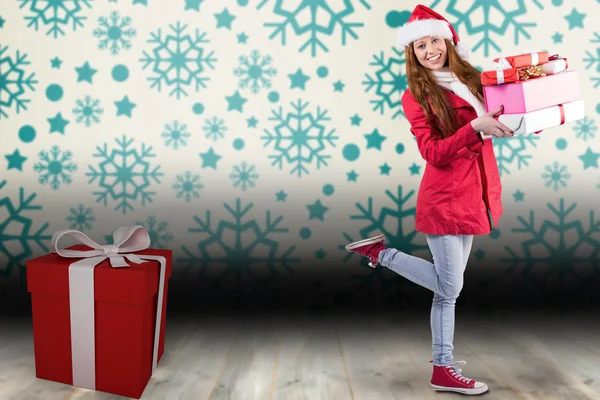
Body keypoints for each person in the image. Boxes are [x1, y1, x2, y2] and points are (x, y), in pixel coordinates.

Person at [344, 4, 515, 396]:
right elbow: (434, 152)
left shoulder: (471, 78)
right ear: (413, 53)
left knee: (446, 291)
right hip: (445, 196)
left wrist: (515, 119)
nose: (428, 50)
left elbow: (499, 113)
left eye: (433, 40)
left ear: (448, 41)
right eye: (419, 45)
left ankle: (442, 369)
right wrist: (475, 126)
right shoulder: (416, 95)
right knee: (450, 289)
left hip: (475, 192)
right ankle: (381, 255)